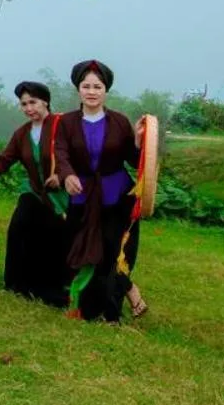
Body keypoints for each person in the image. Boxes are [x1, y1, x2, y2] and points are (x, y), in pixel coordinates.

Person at [50, 59, 150, 321]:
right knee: (81, 248)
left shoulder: (119, 121)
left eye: (97, 86)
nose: (92, 92)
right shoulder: (67, 122)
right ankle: (85, 306)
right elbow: (60, 153)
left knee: (111, 251)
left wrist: (138, 141)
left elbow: (132, 158)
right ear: (78, 90)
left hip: (116, 197)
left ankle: (111, 310)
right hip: (81, 195)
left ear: (106, 90)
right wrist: (68, 174)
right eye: (86, 86)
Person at [0, 81, 70, 307]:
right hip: (36, 193)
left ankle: (55, 284)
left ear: (45, 101)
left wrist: (61, 175)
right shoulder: (22, 134)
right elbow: (4, 160)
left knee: (54, 238)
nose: (29, 108)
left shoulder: (63, 125)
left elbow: (76, 155)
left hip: (64, 196)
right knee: (20, 223)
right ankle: (17, 283)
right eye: (23, 104)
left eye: (33, 102)